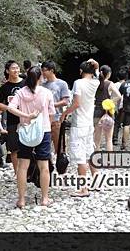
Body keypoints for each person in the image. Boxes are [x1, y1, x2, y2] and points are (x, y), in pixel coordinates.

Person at [6, 66, 55, 208]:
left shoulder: (21, 93)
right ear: (40, 77)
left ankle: (21, 200)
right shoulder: (46, 92)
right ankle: (45, 199)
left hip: (25, 131)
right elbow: (51, 113)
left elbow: (10, 108)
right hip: (43, 130)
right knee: (44, 166)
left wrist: (26, 116)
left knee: (22, 166)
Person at [61, 59, 100, 197]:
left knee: (80, 157)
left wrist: (65, 113)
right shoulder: (95, 83)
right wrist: (95, 64)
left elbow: (76, 103)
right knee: (89, 153)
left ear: (81, 71)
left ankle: (83, 189)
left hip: (79, 124)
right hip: (89, 124)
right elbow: (97, 73)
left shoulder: (78, 83)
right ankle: (96, 182)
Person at [0, 60, 25, 174]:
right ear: (7, 71)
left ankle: (28, 171)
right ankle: (17, 173)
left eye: (17, 68)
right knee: (13, 147)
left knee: (28, 145)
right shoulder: (4, 87)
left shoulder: (25, 83)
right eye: (13, 68)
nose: (16, 70)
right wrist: (8, 108)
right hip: (12, 120)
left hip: (26, 119)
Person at [40, 61, 71, 160]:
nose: (43, 73)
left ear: (51, 70)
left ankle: (61, 164)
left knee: (59, 145)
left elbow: (66, 101)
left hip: (56, 119)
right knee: (44, 146)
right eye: (42, 71)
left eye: (45, 70)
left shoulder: (62, 84)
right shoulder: (42, 85)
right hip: (44, 120)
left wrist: (52, 105)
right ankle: (48, 166)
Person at [93, 65, 122, 151]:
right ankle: (109, 161)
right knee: (108, 139)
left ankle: (96, 159)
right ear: (109, 74)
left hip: (97, 111)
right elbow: (119, 96)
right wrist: (111, 101)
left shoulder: (95, 83)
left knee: (96, 139)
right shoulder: (110, 84)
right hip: (107, 112)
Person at [112, 69, 127, 146]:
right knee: (126, 124)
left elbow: (112, 96)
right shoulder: (127, 85)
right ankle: (124, 141)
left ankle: (115, 139)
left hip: (115, 106)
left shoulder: (114, 85)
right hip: (126, 106)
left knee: (116, 123)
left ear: (117, 77)